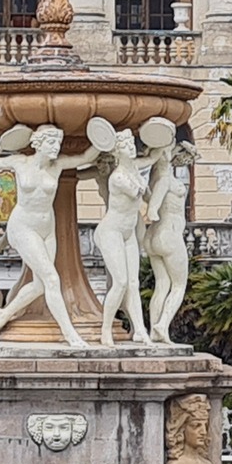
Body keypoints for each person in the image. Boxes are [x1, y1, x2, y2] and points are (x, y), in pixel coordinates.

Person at [0, 125, 100, 347]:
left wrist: (103, 135)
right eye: (52, 143)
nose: (57, 147)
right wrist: (5, 142)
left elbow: (86, 156)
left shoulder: (58, 165)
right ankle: (70, 333)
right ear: (38, 144)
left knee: (41, 285)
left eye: (58, 143)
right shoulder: (20, 162)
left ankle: (4, 314)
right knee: (52, 279)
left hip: (47, 228)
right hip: (23, 226)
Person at [92, 130, 150, 346]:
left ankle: (140, 330)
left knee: (133, 283)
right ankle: (106, 329)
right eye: (126, 146)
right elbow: (138, 191)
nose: (132, 148)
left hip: (128, 233)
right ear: (118, 152)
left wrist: (160, 147)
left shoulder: (133, 169)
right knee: (120, 282)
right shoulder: (117, 177)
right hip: (111, 231)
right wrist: (143, 171)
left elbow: (150, 161)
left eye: (132, 144)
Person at [142, 140, 196, 341]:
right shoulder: (164, 180)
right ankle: (162, 325)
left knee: (162, 284)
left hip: (152, 238)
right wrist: (154, 208)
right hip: (169, 234)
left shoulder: (152, 178)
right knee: (178, 286)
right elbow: (152, 208)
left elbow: (149, 198)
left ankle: (153, 333)